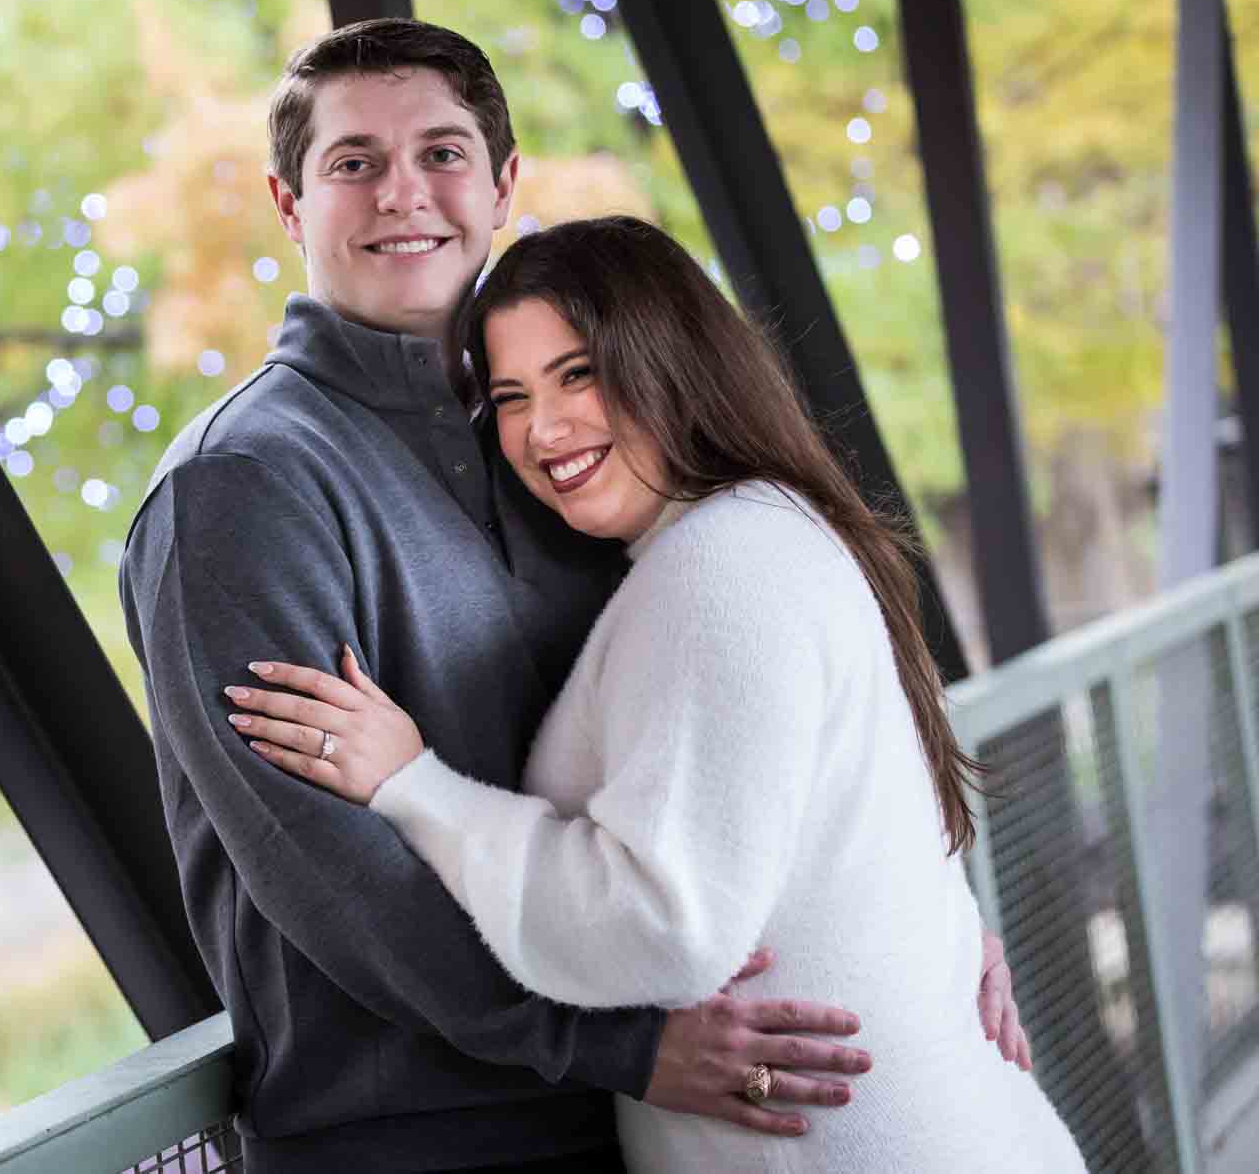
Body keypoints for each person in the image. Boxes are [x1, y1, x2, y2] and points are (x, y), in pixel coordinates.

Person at [119, 18, 1027, 1173]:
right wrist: (618, 1043)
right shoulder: (238, 488)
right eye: (353, 163)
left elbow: (765, 721)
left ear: (502, 186)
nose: (404, 192)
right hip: (426, 1144)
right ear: (289, 203)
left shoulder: (565, 448)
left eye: (442, 154)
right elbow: (326, 871)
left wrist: (936, 928)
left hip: (649, 1112)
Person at [228, 215, 1085, 1171]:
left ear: (670, 358)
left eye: (577, 374)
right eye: (509, 395)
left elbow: (663, 924)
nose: (543, 430)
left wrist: (413, 785)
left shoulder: (720, 568)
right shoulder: (766, 531)